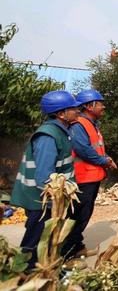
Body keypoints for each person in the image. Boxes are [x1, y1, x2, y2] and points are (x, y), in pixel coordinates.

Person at [10, 90, 80, 268]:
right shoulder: (48, 136)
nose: (77, 111)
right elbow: (44, 176)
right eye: (72, 108)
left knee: (45, 238)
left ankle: (41, 270)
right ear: (61, 114)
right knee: (35, 240)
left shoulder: (61, 132)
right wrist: (53, 201)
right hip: (40, 200)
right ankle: (22, 273)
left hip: (48, 199)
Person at [61, 89, 116, 260]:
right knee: (78, 216)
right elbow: (83, 150)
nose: (103, 107)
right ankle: (67, 254)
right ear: (89, 106)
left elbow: (95, 147)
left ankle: (77, 246)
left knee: (83, 215)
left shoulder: (91, 124)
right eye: (99, 103)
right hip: (83, 178)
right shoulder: (79, 125)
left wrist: (105, 157)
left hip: (92, 177)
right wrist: (104, 161)